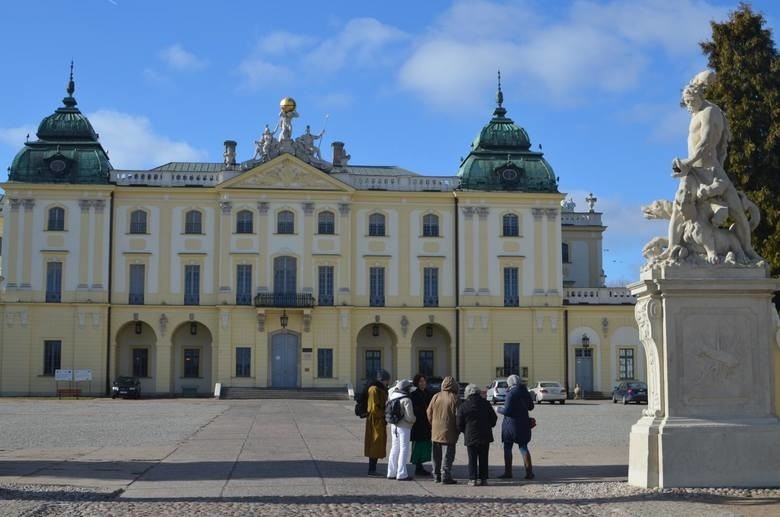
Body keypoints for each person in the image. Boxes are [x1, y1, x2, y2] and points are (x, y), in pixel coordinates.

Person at [667, 71, 758, 263]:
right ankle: (672, 248)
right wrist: (687, 166)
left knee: (737, 212)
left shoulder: (710, 112)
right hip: (692, 172)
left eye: (691, 101)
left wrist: (687, 162)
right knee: (678, 209)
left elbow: (707, 142)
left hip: (711, 171)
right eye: (687, 103)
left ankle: (747, 250)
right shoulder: (697, 113)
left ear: (699, 96)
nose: (689, 106)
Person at [457, 383, 497, 486]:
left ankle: (472, 479)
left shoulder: (464, 405)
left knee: (472, 458)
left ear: (467, 393)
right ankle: (484, 479)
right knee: (484, 458)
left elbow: (459, 423)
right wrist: (489, 425)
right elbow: (494, 419)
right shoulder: (486, 403)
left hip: (470, 435)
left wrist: (464, 431)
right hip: (485, 435)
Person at [497, 374, 535, 480]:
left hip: (510, 426)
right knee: (523, 447)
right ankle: (529, 473)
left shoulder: (510, 393)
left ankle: (508, 473)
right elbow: (531, 407)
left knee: (507, 448)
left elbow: (507, 411)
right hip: (523, 424)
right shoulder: (525, 391)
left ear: (510, 383)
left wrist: (498, 409)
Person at [427, 375, 459, 484]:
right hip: (449, 430)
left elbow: (428, 412)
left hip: (435, 430)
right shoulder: (455, 398)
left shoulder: (436, 396)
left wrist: (433, 423)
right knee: (448, 455)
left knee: (435, 455)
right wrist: (458, 429)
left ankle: (436, 475)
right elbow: (458, 415)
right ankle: (445, 475)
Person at [386, 379, 417, 481]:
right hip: (404, 427)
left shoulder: (392, 397)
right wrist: (414, 420)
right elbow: (410, 417)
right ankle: (402, 473)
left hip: (393, 426)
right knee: (404, 449)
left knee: (394, 448)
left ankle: (391, 472)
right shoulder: (406, 400)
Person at [364, 369, 390, 476]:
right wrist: (384, 413)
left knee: (377, 444)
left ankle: (373, 468)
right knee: (374, 443)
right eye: (386, 380)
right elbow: (373, 408)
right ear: (382, 380)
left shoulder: (379, 389)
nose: (387, 383)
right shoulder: (374, 390)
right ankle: (371, 469)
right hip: (375, 421)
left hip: (378, 420)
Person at [410, 374, 433, 476]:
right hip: (418, 424)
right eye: (420, 381)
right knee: (418, 446)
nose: (423, 383)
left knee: (425, 446)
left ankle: (421, 467)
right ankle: (418, 468)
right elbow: (414, 409)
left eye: (424, 381)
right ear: (416, 383)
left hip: (427, 424)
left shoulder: (428, 393)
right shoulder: (414, 394)